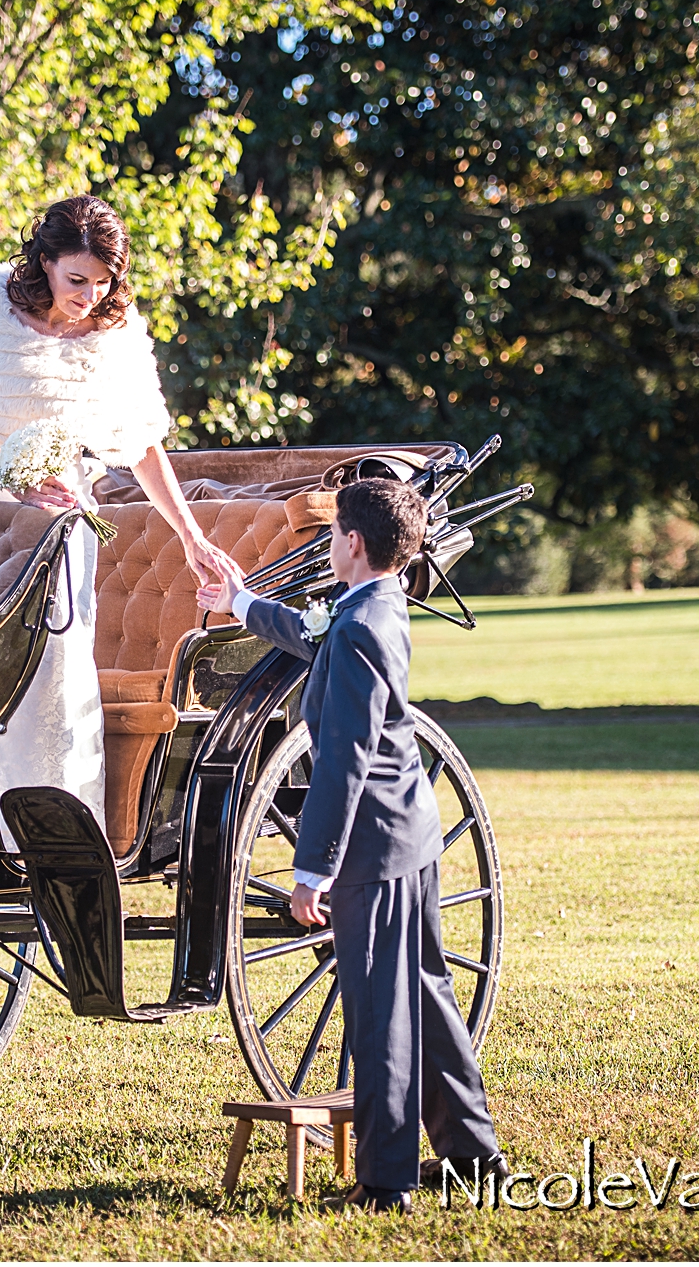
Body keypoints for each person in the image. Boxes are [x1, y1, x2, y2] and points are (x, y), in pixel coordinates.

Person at [198, 479, 504, 1212]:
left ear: (354, 543)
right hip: (408, 836)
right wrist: (239, 602)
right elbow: (312, 634)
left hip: (376, 844)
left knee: (378, 1009)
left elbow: (344, 757)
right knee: (425, 996)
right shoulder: (372, 604)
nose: (328, 544)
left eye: (332, 534)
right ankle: (473, 1154)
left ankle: (386, 1180)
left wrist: (313, 870)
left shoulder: (364, 624)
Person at [0, 195, 239, 823]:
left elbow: (144, 445)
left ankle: (50, 822)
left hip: (62, 514)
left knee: (54, 673)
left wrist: (193, 536)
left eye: (103, 281)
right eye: (77, 279)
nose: (90, 294)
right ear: (43, 262)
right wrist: (17, 483)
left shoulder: (114, 334)